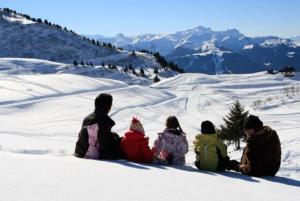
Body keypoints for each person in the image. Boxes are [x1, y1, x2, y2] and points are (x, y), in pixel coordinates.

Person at [74, 93, 123, 159]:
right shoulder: (102, 121)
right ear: (109, 107)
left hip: (81, 151)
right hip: (94, 155)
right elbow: (104, 147)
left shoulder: (87, 118)